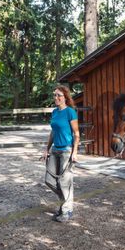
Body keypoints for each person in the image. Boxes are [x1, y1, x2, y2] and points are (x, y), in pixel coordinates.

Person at [42, 85, 80, 222]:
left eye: (59, 95)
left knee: (64, 182)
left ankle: (67, 210)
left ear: (65, 97)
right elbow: (53, 132)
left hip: (66, 150)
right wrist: (47, 149)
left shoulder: (70, 112)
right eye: (55, 95)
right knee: (49, 180)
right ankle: (65, 203)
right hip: (55, 150)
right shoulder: (54, 112)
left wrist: (75, 152)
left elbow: (76, 134)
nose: (56, 97)